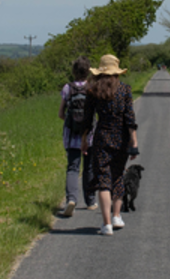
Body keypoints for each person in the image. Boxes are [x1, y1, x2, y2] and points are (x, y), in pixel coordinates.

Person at [82, 53, 139, 236]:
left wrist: (84, 139)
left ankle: (106, 224)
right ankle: (116, 216)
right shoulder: (125, 90)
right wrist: (134, 141)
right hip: (121, 139)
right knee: (117, 176)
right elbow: (129, 118)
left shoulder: (93, 91)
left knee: (104, 180)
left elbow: (88, 119)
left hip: (101, 138)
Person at [58, 56, 93, 217]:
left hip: (72, 135)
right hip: (89, 135)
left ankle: (71, 199)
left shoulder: (67, 88)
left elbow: (60, 114)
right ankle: (90, 201)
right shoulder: (92, 87)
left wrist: (72, 122)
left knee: (72, 168)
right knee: (89, 167)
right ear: (88, 71)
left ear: (74, 71)